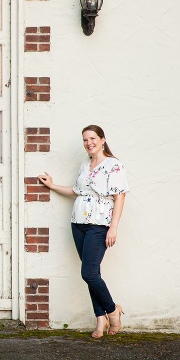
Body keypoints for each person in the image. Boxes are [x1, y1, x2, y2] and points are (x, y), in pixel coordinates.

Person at [38, 125, 128, 338]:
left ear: (103, 140)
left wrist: (113, 227)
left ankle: (113, 311)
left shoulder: (113, 165)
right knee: (92, 274)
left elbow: (120, 196)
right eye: (85, 140)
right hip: (78, 223)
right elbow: (76, 191)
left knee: (88, 273)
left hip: (99, 225)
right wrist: (52, 185)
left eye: (93, 138)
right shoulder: (85, 165)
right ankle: (100, 318)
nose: (89, 143)